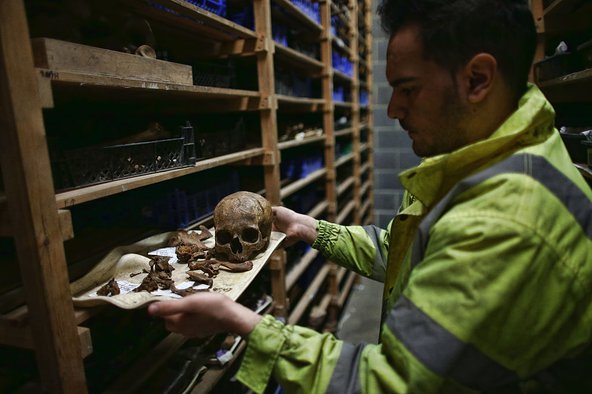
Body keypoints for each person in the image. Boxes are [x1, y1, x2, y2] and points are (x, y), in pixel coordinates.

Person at [148, 0, 592, 392]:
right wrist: (307, 227)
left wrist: (240, 322)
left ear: (478, 79)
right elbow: (408, 255)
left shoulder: (505, 219)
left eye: (408, 88)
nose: (393, 109)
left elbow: (384, 384)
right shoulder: (483, 159)